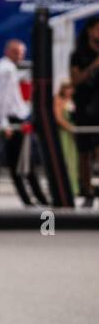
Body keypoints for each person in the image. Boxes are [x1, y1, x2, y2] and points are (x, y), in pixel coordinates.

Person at [0, 39, 49, 206]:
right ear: (8, 51)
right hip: (13, 121)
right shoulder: (6, 70)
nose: (20, 56)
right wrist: (4, 123)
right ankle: (36, 200)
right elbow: (0, 98)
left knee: (22, 163)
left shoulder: (5, 68)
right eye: (17, 52)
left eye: (22, 53)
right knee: (23, 163)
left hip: (15, 119)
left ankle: (33, 199)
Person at [66, 19, 99, 208]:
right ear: (90, 31)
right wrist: (94, 65)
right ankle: (86, 188)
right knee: (84, 150)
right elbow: (75, 79)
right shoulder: (79, 55)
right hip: (85, 107)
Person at [54, 82, 79, 201]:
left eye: (70, 87)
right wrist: (71, 128)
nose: (69, 90)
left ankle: (74, 188)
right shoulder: (58, 100)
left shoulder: (73, 100)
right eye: (66, 87)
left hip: (72, 134)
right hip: (64, 133)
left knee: (73, 160)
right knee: (65, 159)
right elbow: (58, 117)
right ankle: (65, 187)